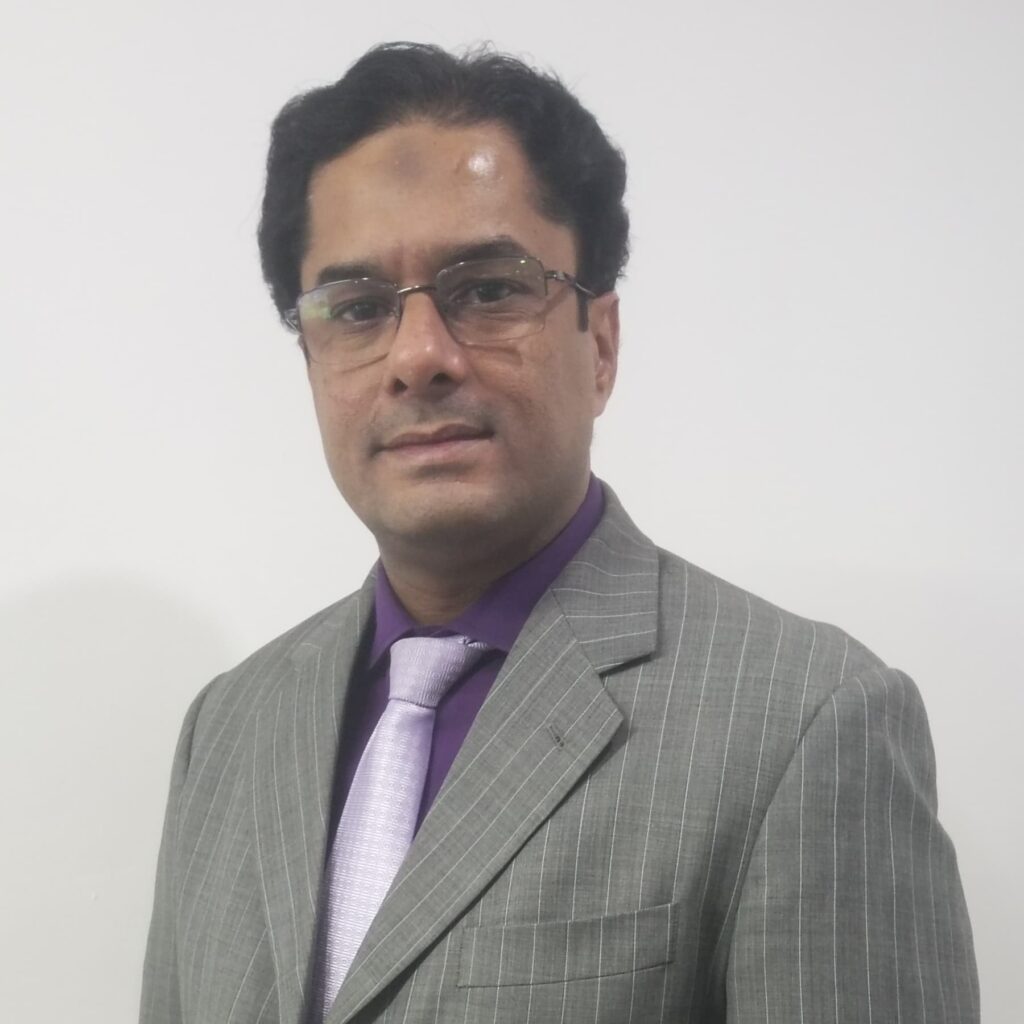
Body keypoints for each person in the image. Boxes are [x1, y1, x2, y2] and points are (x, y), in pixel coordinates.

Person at [140, 42, 978, 1024]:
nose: (418, 356)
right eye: (358, 308)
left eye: (488, 289)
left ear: (602, 344)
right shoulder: (228, 729)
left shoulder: (808, 723)